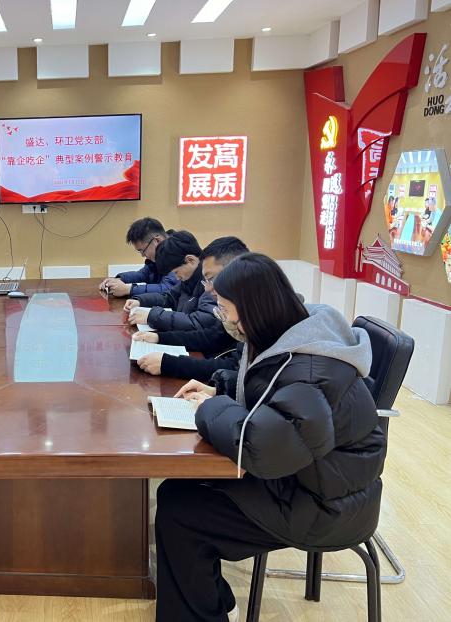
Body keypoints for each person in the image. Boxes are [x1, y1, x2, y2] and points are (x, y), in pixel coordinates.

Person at [154, 253, 382, 622]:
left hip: (322, 508)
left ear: (255, 310)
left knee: (181, 513)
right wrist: (220, 389)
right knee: (176, 493)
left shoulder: (309, 369)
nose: (229, 322)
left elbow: (261, 449)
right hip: (311, 484)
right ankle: (211, 602)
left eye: (230, 313)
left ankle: (204, 610)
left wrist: (209, 409)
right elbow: (276, 401)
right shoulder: (300, 335)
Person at [133, 237, 249, 379]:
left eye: (211, 279)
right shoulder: (239, 304)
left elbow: (236, 368)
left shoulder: (258, 314)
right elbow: (211, 336)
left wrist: (168, 364)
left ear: (237, 271)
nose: (207, 289)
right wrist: (159, 337)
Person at [126, 231, 216, 332]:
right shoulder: (188, 278)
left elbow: (197, 322)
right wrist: (140, 301)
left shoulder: (211, 284)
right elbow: (169, 297)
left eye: (176, 272)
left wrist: (152, 316)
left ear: (190, 260)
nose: (176, 278)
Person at [98, 217, 178, 297]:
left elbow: (168, 288)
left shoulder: (177, 252)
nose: (142, 255)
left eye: (143, 250)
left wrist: (129, 289)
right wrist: (119, 279)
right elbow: (143, 274)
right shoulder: (158, 256)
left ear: (157, 241)